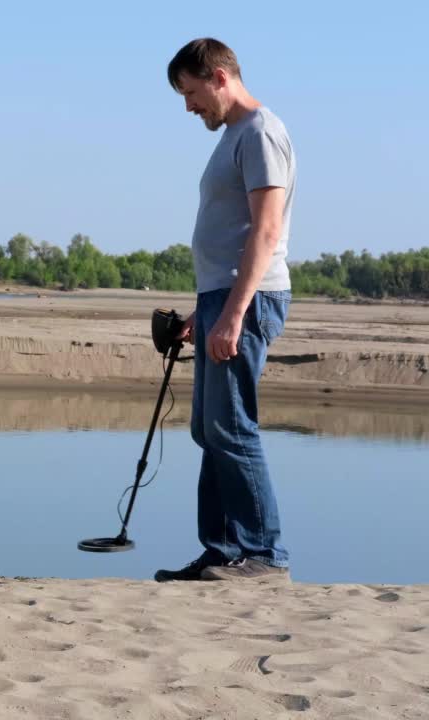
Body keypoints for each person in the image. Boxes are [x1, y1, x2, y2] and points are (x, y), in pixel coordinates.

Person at [155, 38, 295, 582]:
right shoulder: (237, 135)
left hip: (249, 297)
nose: (189, 107)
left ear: (217, 77)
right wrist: (206, 311)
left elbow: (265, 230)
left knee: (232, 429)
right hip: (224, 296)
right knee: (209, 431)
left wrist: (234, 314)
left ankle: (262, 555)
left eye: (190, 93)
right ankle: (222, 551)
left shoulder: (261, 132)